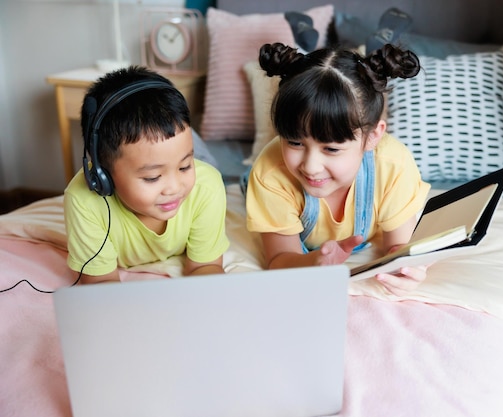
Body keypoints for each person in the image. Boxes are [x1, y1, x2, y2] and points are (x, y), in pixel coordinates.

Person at [245, 43, 431, 295]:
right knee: (251, 184)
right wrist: (314, 263)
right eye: (295, 142)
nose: (310, 166)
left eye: (331, 149)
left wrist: (405, 268)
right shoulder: (271, 172)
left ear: (372, 137)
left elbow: (398, 245)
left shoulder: (392, 166)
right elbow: (280, 259)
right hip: (264, 187)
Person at [64, 66, 229, 284]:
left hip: (201, 162)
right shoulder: (83, 201)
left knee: (203, 163)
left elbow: (206, 266)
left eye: (185, 167)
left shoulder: (206, 185)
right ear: (103, 175)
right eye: (152, 178)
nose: (174, 188)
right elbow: (100, 284)